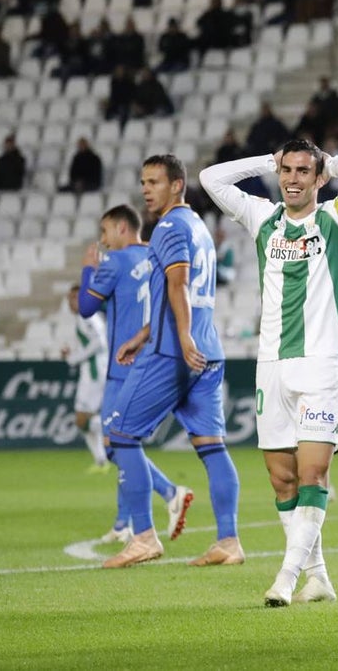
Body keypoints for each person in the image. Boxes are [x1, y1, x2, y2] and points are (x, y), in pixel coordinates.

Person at [200, 138, 338, 607]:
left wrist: (329, 163)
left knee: (314, 476)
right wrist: (266, 160)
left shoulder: (336, 219)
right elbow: (210, 178)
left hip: (322, 362)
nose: (293, 179)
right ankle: (319, 579)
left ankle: (286, 577)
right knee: (283, 481)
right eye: (287, 171)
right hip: (271, 364)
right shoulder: (263, 219)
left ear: (318, 179)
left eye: (303, 171)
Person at [101, 154, 242, 569]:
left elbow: (179, 284)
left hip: (173, 354)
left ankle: (143, 536)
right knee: (211, 447)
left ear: (177, 185)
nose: (146, 189)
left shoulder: (168, 227)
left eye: (154, 182)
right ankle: (229, 541)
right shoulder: (199, 228)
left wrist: (177, 338)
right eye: (143, 181)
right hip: (207, 351)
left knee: (120, 436)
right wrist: (141, 335)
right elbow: (179, 291)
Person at [78, 205, 192, 544]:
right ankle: (123, 522)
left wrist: (88, 270)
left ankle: (170, 492)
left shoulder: (115, 261)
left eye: (105, 232)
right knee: (126, 442)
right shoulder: (157, 257)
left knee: (116, 445)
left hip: (120, 367)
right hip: (153, 362)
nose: (103, 240)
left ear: (121, 228)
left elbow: (86, 307)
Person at [63, 284, 110, 473]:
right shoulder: (86, 318)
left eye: (74, 298)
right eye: (69, 298)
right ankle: (101, 461)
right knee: (82, 421)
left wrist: (74, 358)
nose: (70, 302)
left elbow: (99, 342)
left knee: (82, 420)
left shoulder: (88, 315)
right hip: (92, 371)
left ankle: (113, 425)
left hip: (94, 372)